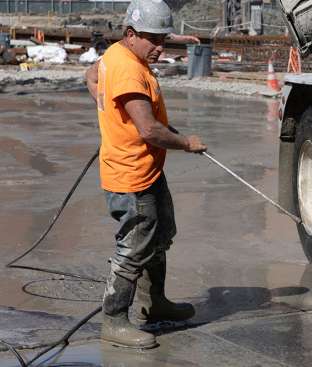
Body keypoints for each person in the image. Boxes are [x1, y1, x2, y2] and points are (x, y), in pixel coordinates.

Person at [85, 0, 206, 349]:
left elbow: (90, 75)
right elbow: (150, 131)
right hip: (130, 176)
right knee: (134, 247)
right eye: (152, 39)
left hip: (149, 169)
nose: (159, 47)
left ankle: (156, 304)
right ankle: (115, 320)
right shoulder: (127, 69)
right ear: (130, 34)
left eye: (164, 39)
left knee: (161, 234)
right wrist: (187, 142)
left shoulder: (118, 56)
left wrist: (106, 107)